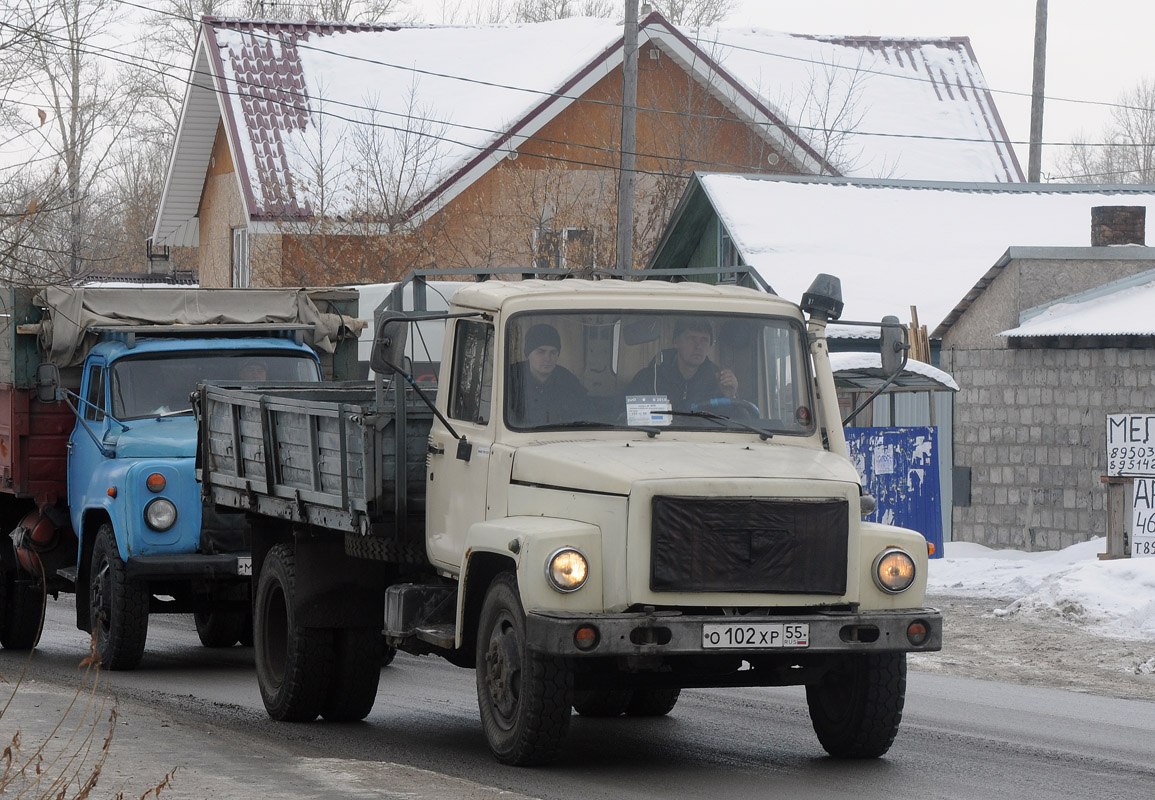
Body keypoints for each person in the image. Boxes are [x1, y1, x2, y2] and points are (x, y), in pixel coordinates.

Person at [626, 318, 738, 410]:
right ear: (676, 342)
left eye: (704, 340)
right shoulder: (649, 378)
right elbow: (626, 416)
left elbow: (733, 426)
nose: (698, 346)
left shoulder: (718, 381)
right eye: (691, 339)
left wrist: (730, 396)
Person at [507, 323, 587, 426]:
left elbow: (586, 415)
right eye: (541, 352)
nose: (547, 358)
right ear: (528, 354)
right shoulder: (511, 378)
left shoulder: (569, 382)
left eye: (553, 352)